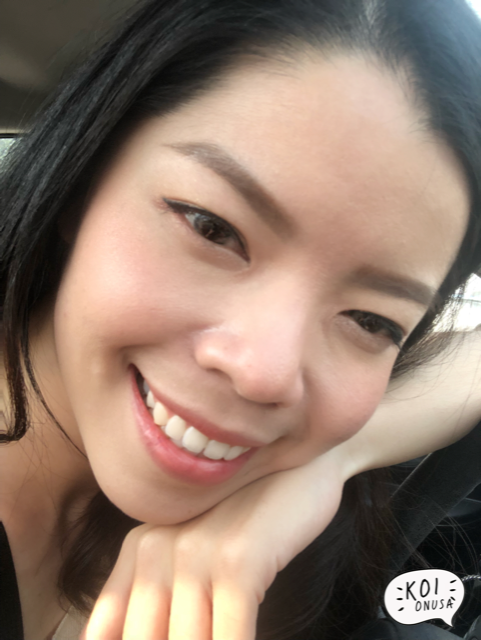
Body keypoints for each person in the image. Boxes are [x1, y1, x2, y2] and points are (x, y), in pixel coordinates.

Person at [2, 0, 481, 638]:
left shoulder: (294, 531)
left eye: (371, 320)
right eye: (213, 228)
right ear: (84, 175)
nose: (264, 374)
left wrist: (333, 460)